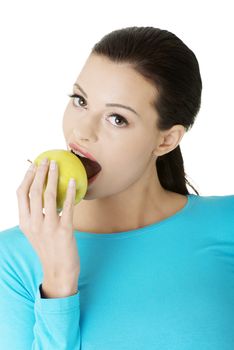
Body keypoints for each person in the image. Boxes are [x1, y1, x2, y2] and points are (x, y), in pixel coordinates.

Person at [0, 26, 234, 350]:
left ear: (166, 140)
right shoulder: (11, 258)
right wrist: (58, 283)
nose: (81, 131)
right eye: (80, 101)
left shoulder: (227, 223)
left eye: (117, 119)